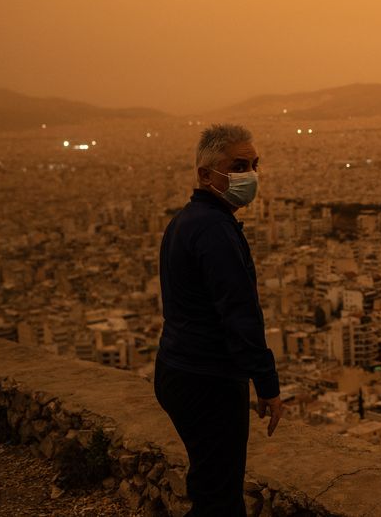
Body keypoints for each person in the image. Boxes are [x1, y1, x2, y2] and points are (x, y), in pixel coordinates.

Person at [155, 123, 284, 516]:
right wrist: (267, 384)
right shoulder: (213, 229)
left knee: (211, 485)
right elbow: (240, 314)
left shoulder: (185, 221)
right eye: (239, 165)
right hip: (207, 379)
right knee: (221, 498)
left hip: (177, 369)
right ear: (205, 175)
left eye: (254, 165)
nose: (250, 175)